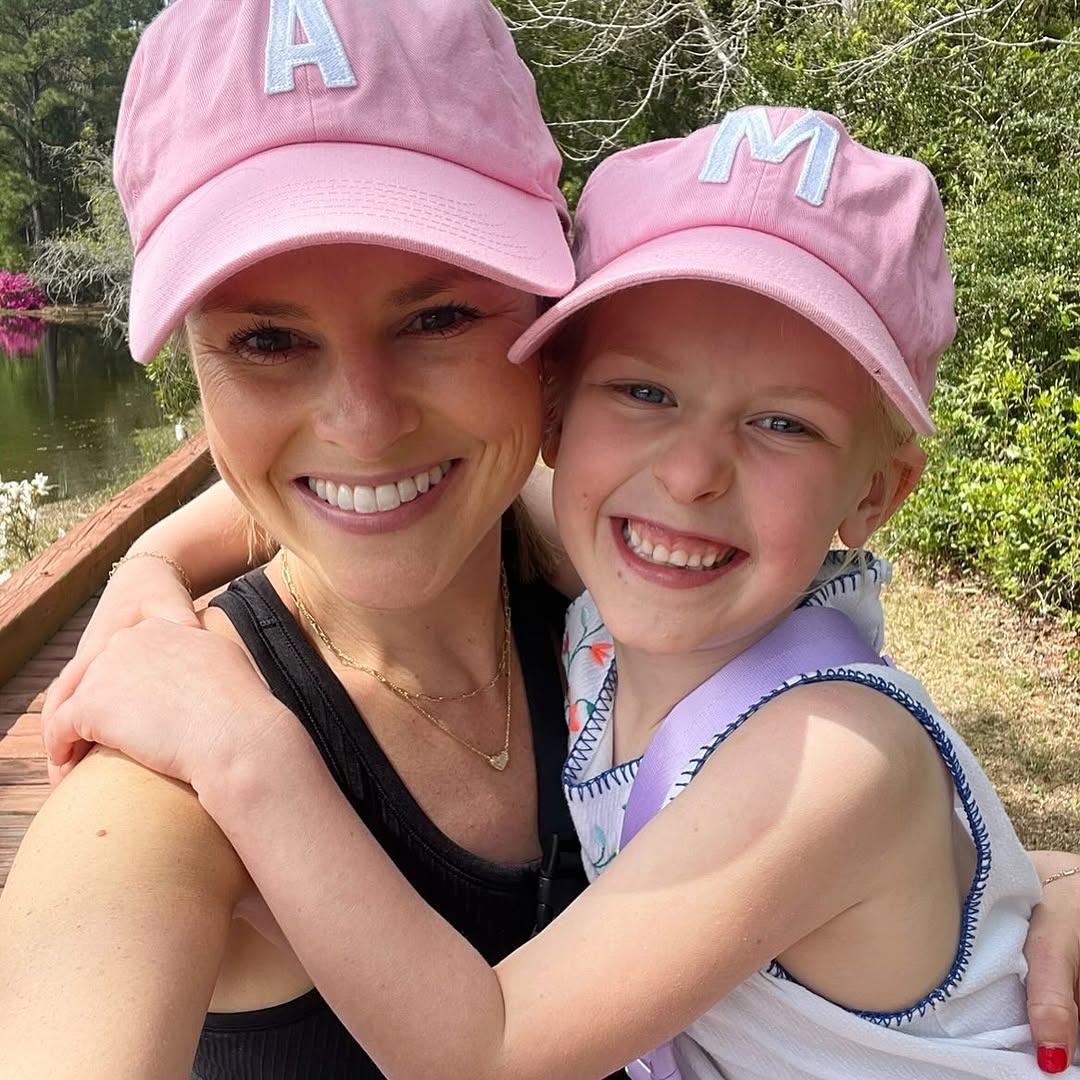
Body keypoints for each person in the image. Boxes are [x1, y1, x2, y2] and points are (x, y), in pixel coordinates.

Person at [23, 93, 1080, 1080]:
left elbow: (487, 1051)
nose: (689, 474)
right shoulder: (616, 581)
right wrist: (153, 557)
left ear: (878, 493)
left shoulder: (811, 743)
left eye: (784, 423)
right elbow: (377, 489)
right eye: (645, 391)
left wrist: (243, 752)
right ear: (565, 411)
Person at [0, 1, 598, 1077]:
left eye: (440, 317)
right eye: (268, 340)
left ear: (551, 326)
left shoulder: (617, 579)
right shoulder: (157, 793)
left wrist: (997, 896)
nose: (364, 424)